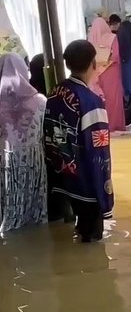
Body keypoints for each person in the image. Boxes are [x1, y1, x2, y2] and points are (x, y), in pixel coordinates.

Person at [44, 40, 114, 242]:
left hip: (60, 178)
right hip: (85, 184)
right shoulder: (91, 101)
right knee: (91, 241)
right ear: (93, 64)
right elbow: (99, 150)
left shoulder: (55, 93)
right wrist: (104, 193)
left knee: (68, 238)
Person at [0, 53, 47, 233]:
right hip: (33, 162)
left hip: (5, 162)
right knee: (35, 217)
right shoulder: (41, 101)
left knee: (6, 204)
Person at [88, 16, 126, 132]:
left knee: (102, 99)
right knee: (113, 99)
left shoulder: (91, 40)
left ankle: (103, 126)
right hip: (111, 72)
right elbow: (115, 56)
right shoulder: (112, 37)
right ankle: (115, 125)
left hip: (96, 73)